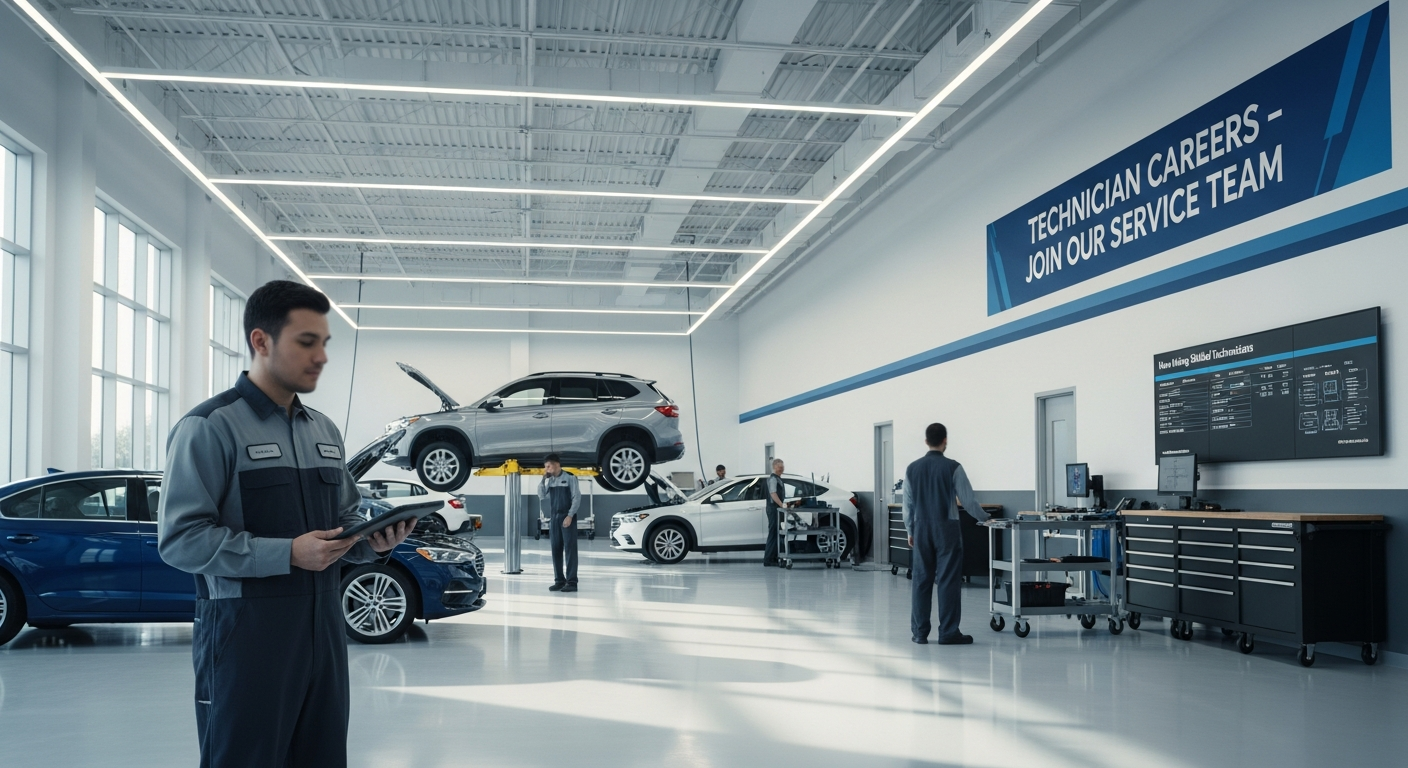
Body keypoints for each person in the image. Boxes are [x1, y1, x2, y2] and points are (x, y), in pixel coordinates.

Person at [158, 280, 414, 767]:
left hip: (323, 632)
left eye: (324, 343)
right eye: (306, 342)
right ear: (261, 341)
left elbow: (342, 521)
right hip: (244, 637)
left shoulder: (324, 430)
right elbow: (180, 540)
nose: (320, 356)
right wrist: (286, 553)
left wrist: (372, 543)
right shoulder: (210, 427)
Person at [903, 423, 983, 646]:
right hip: (946, 529)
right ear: (945, 440)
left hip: (921, 529)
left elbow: (907, 506)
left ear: (926, 441)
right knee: (948, 580)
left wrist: (910, 530)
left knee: (921, 580)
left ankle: (919, 633)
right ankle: (948, 632)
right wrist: (986, 519)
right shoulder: (953, 467)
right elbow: (968, 501)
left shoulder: (912, 469)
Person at [539, 453, 581, 592]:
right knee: (555, 549)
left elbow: (576, 498)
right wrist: (543, 480)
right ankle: (559, 580)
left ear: (556, 464)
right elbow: (541, 495)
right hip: (554, 517)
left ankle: (572, 582)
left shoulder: (570, 478)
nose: (547, 469)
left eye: (548, 466)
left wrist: (570, 516)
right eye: (545, 467)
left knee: (570, 549)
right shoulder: (549, 480)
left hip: (567, 516)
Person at [763, 458, 794, 567]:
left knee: (776, 533)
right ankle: (768, 559)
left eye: (782, 467)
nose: (781, 469)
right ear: (774, 467)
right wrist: (782, 505)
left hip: (776, 508)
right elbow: (773, 493)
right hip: (773, 508)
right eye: (779, 467)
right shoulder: (773, 479)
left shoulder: (778, 479)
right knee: (773, 533)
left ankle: (774, 557)